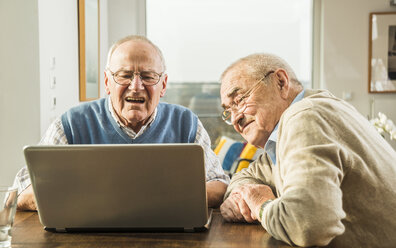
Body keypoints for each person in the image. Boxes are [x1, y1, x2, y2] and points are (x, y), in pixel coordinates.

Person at [15, 35, 229, 211]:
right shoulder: (70, 124)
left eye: (148, 76)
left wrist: (144, 198)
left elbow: (219, 185)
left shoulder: (185, 123)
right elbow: (21, 193)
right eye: (125, 75)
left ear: (163, 85)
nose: (136, 86)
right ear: (107, 82)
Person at [219, 53, 396, 247]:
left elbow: (307, 224)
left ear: (280, 82)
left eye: (240, 99)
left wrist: (260, 204)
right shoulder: (286, 135)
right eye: (228, 111)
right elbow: (242, 178)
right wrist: (241, 195)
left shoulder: (304, 116)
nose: (235, 119)